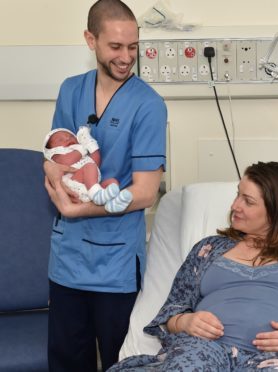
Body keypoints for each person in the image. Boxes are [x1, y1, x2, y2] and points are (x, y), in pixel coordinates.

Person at [108, 161, 278, 371]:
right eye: (238, 194)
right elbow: (173, 310)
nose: (235, 205)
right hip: (204, 349)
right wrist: (185, 322)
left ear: (276, 211)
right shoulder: (208, 249)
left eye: (247, 201)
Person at [43, 0, 167, 371]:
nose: (126, 57)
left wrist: (79, 207)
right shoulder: (70, 90)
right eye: (115, 47)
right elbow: (54, 152)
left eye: (133, 46)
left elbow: (145, 191)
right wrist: (54, 174)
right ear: (90, 40)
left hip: (114, 270)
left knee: (121, 362)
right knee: (66, 362)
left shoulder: (148, 106)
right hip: (67, 261)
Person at [43, 126, 132, 213]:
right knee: (89, 166)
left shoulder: (82, 155)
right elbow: (68, 160)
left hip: (90, 187)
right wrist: (83, 148)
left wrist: (91, 145)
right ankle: (96, 194)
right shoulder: (57, 155)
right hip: (74, 184)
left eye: (70, 136)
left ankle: (112, 202)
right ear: (50, 150)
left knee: (112, 181)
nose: (67, 139)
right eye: (60, 140)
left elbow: (95, 163)